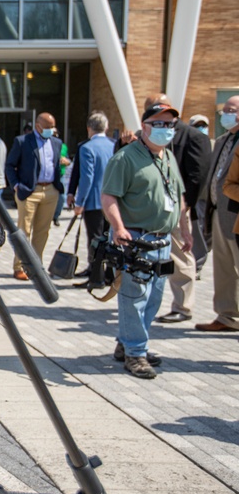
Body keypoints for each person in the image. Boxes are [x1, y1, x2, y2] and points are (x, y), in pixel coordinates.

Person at [100, 101, 190, 379]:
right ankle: (136, 352)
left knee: (153, 299)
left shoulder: (168, 157)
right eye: (159, 124)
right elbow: (109, 196)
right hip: (136, 240)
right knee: (134, 297)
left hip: (162, 241)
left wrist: (185, 231)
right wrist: (118, 228)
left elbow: (179, 198)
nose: (165, 130)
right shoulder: (126, 158)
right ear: (145, 126)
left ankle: (128, 343)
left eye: (170, 125)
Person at [145, 94, 211, 324]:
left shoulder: (192, 136)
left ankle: (183, 307)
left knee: (180, 257)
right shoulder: (146, 136)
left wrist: (185, 206)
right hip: (150, 210)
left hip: (176, 208)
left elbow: (198, 175)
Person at [195, 95, 239, 334]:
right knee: (223, 267)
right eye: (225, 110)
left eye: (231, 110)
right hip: (218, 213)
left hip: (236, 215)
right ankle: (227, 315)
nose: (225, 114)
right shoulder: (222, 140)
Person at [5, 112, 64, 280]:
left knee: (42, 231)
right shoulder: (23, 141)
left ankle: (36, 266)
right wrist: (16, 185)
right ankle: (20, 266)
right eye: (47, 127)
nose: (51, 130)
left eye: (52, 127)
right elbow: (10, 165)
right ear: (38, 125)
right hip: (29, 191)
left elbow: (56, 165)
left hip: (50, 190)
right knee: (24, 231)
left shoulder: (56, 143)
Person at [71, 112, 115, 289]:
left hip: (94, 201)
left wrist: (79, 202)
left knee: (95, 240)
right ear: (106, 127)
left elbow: (87, 178)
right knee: (110, 239)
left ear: (89, 128)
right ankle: (108, 275)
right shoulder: (114, 145)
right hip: (113, 202)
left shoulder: (87, 148)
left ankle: (96, 277)